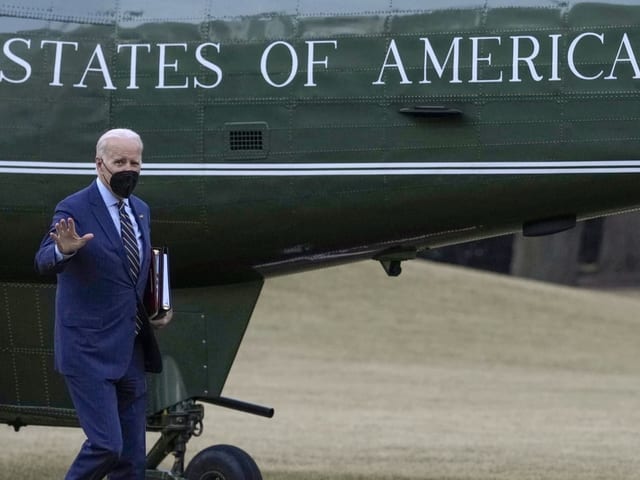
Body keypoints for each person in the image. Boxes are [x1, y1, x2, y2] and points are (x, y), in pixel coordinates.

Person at [35, 128, 172, 480]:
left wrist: (155, 307)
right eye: (119, 162)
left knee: (130, 461)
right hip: (88, 349)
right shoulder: (74, 207)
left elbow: (131, 275)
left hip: (130, 349)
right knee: (106, 446)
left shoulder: (140, 210)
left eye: (135, 162)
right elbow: (43, 259)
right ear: (99, 164)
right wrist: (64, 249)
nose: (129, 169)